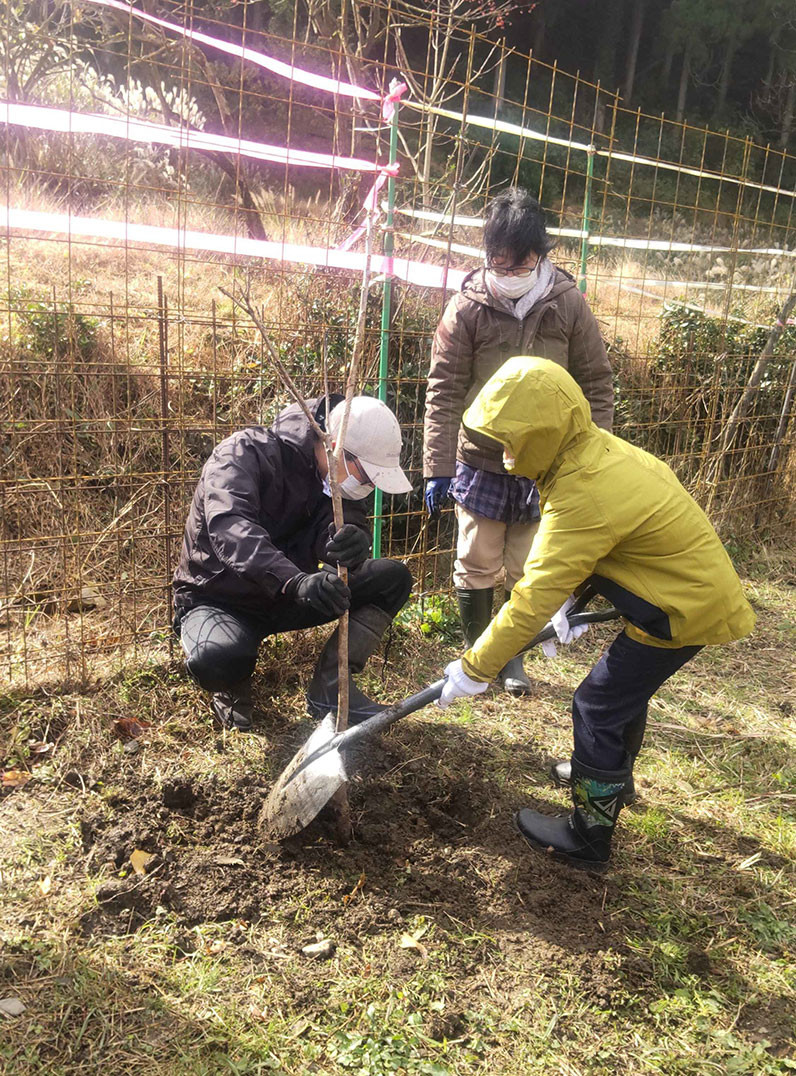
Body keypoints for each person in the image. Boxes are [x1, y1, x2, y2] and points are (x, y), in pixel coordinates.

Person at [437, 356, 755, 869]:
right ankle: (611, 782)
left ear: (543, 432)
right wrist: (571, 603)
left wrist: (475, 668)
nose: (508, 457)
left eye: (513, 441)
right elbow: (606, 549)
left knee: (597, 705)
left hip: (679, 611)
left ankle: (589, 836)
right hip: (684, 593)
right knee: (623, 696)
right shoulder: (595, 454)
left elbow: (531, 593)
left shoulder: (584, 490)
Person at [423, 187, 614, 697]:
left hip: (543, 463)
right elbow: (443, 391)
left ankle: (512, 660)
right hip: (481, 457)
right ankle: (478, 655)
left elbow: (596, 382)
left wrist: (596, 456)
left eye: (519, 264)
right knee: (477, 559)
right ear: (488, 257)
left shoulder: (567, 305)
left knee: (527, 565)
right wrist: (437, 466)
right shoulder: (466, 308)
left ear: (539, 256)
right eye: (498, 263)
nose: (508, 273)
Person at [173, 394, 413, 731]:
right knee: (217, 658)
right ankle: (231, 686)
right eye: (368, 474)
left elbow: (333, 531)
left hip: (288, 595)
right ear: (335, 445)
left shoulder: (337, 481)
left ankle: (332, 689)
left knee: (392, 579)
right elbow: (231, 529)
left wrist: (350, 544)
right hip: (220, 597)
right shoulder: (241, 454)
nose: (370, 485)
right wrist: (295, 580)